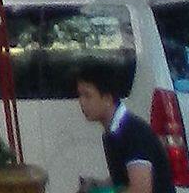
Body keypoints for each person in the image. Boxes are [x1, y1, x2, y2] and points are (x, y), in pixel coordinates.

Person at [75, 60, 175, 192]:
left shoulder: (133, 133)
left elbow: (141, 190)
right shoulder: (111, 133)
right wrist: (98, 186)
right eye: (80, 95)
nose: (81, 102)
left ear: (107, 98)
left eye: (88, 96)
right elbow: (123, 181)